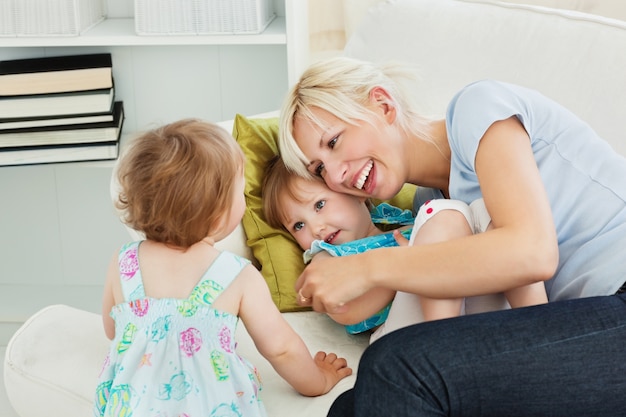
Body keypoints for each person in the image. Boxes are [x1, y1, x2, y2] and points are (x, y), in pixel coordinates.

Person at [278, 56, 626, 416]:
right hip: (577, 327)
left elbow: (532, 252)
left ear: (382, 104)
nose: (335, 176)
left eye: (334, 142)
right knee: (352, 406)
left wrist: (366, 267)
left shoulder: (478, 109)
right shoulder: (433, 206)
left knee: (395, 367)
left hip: (617, 300)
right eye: (319, 170)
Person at [94, 119, 352, 417]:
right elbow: (282, 349)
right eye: (239, 191)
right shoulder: (236, 274)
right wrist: (318, 381)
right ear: (219, 216)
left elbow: (112, 329)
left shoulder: (124, 261)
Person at [262, 156, 546, 340]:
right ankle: (443, 352)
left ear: (355, 193)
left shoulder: (395, 219)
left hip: (466, 309)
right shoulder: (327, 256)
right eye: (298, 226)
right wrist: (406, 265)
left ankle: (541, 332)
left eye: (320, 205)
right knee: (442, 212)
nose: (316, 228)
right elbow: (344, 310)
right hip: (405, 337)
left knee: (487, 211)